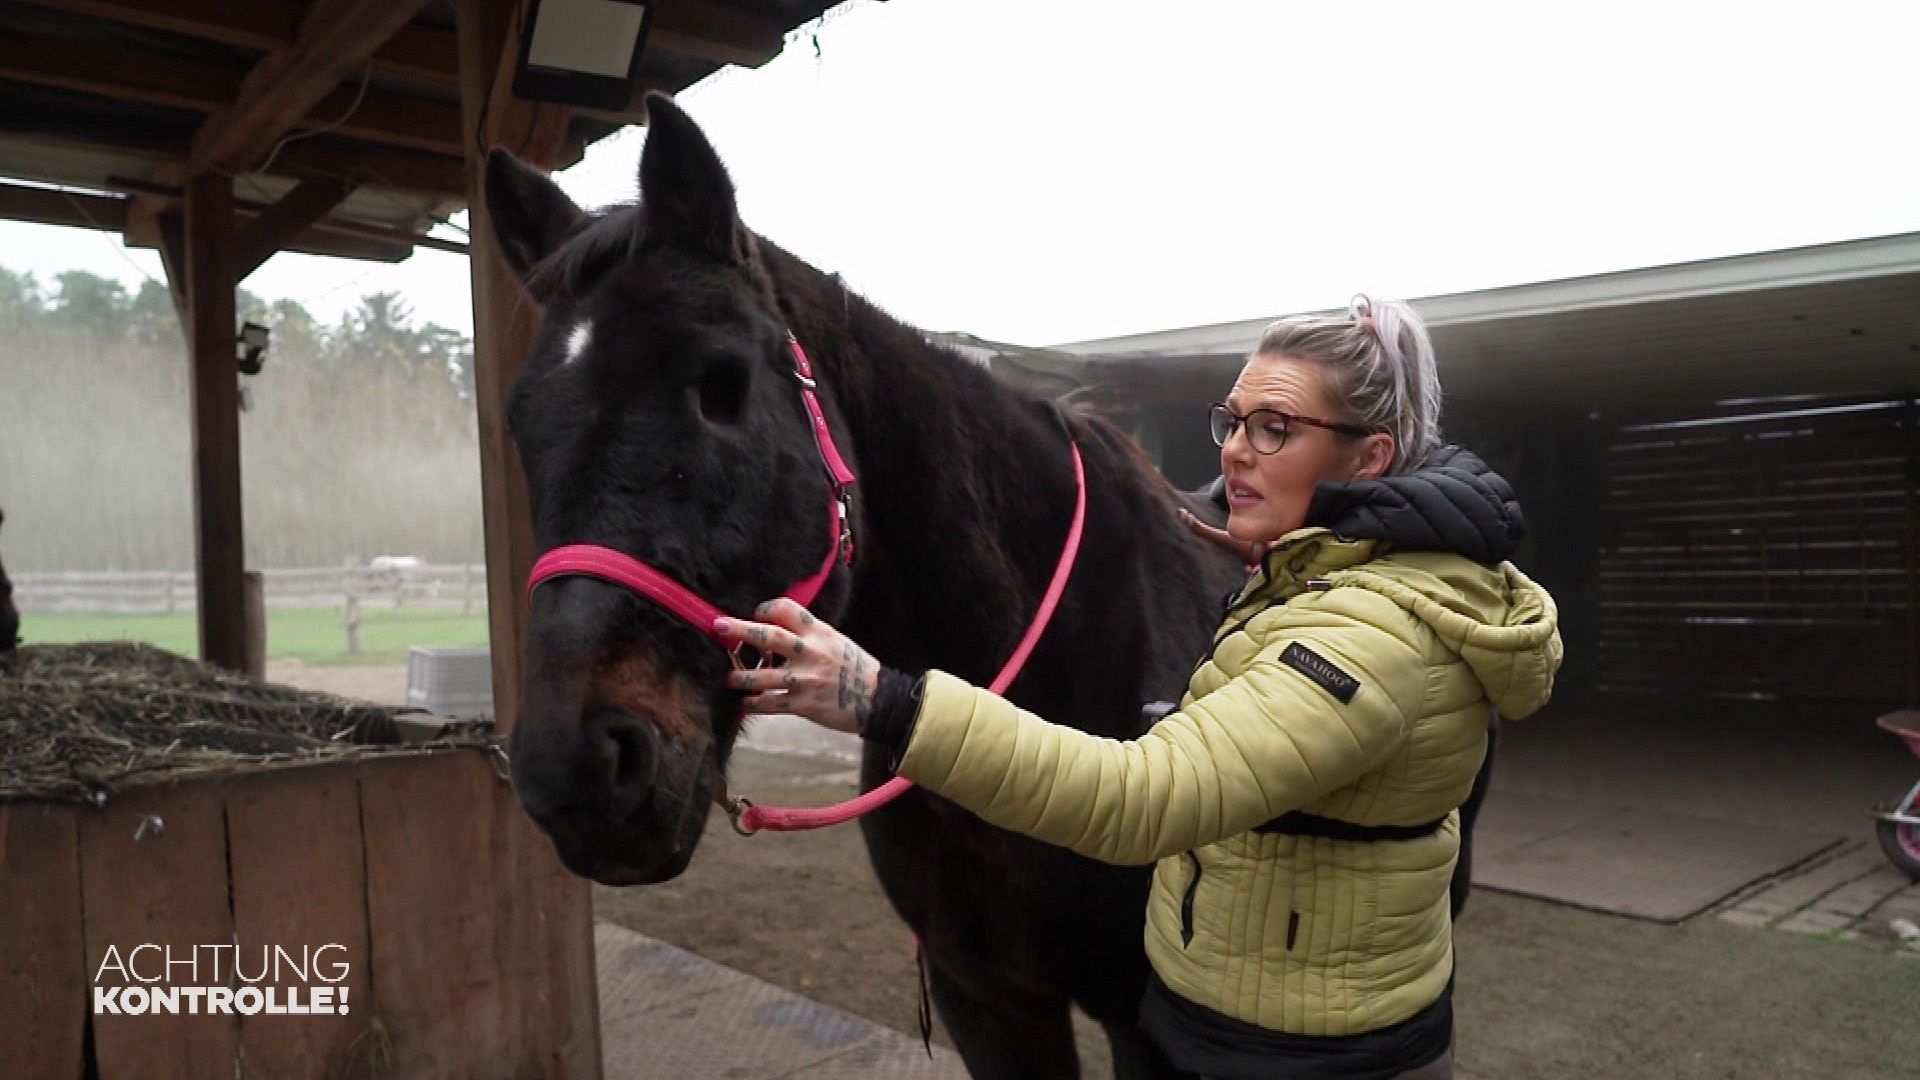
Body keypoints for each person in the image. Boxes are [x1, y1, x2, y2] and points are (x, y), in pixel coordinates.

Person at [715, 295, 1562, 1080]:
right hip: (1244, 1022)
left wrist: (883, 698)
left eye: (1274, 428)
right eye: (1232, 421)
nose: (1233, 449)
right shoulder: (1314, 570)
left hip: (1301, 1056)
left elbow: (1145, 799)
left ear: (1368, 458)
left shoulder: (1370, 637)